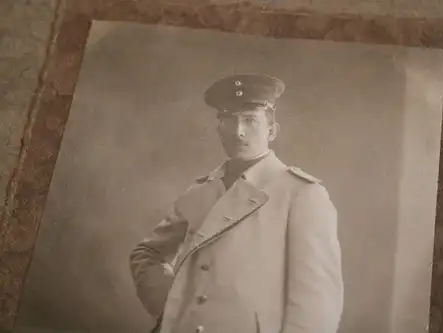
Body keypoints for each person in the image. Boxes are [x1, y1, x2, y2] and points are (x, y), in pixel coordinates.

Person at [129, 74, 344, 333]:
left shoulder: (301, 194)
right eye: (229, 119)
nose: (238, 131)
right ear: (219, 128)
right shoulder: (199, 191)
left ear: (272, 131)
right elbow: (147, 253)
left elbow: (316, 303)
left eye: (250, 120)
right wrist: (174, 306)